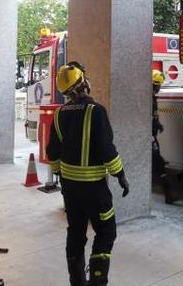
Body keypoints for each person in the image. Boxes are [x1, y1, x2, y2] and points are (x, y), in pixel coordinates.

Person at [47, 61, 129, 286]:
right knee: (106, 231)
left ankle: (77, 282)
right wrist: (120, 174)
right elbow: (106, 149)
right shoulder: (96, 111)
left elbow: (52, 152)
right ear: (83, 84)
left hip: (70, 191)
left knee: (75, 233)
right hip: (95, 190)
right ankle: (97, 281)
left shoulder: (59, 114)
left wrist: (60, 174)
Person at [151, 70, 174, 204]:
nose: (158, 88)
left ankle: (168, 194)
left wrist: (158, 124)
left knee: (157, 163)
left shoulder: (152, 98)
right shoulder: (149, 98)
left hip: (151, 136)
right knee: (158, 163)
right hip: (149, 137)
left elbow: (153, 115)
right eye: (157, 85)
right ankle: (168, 194)